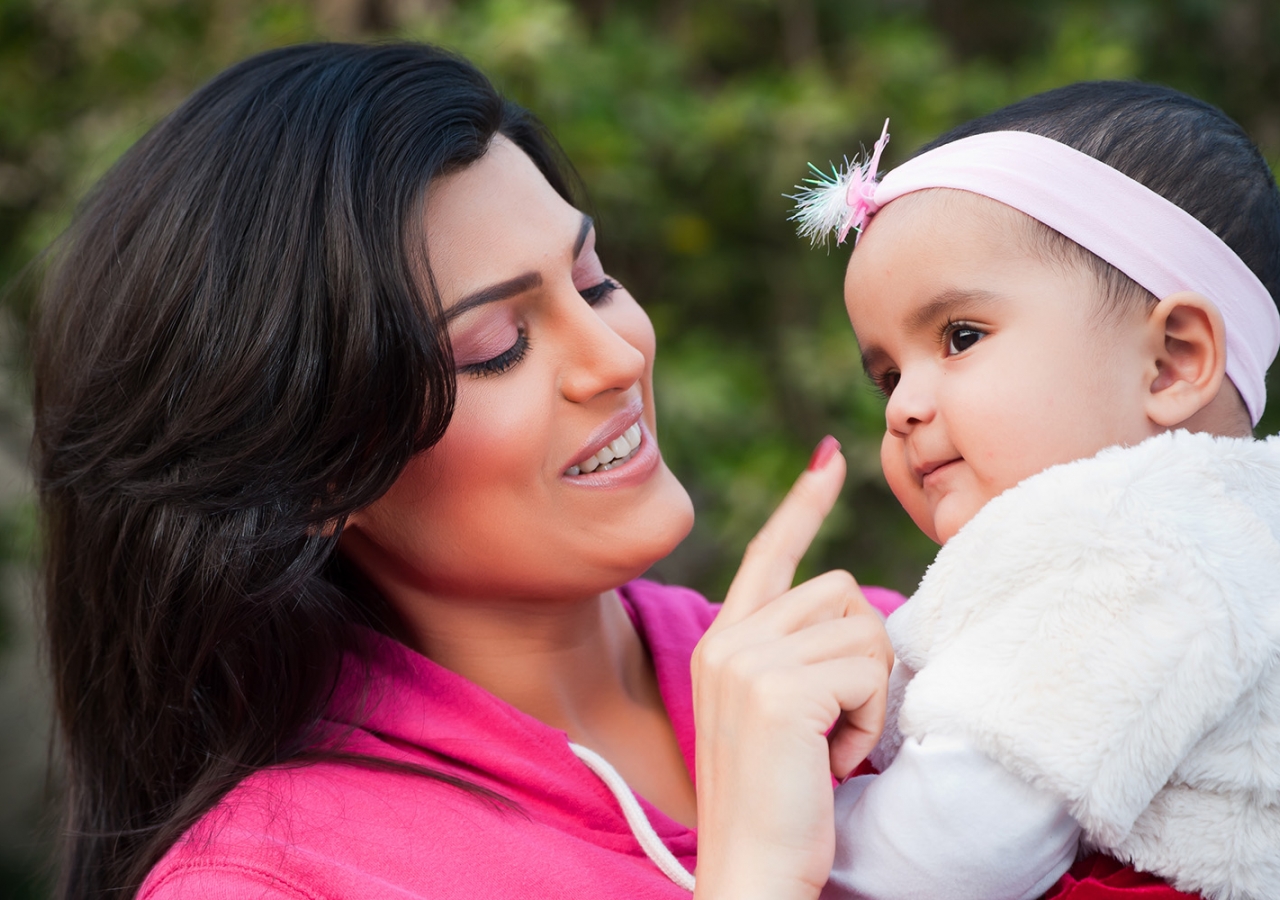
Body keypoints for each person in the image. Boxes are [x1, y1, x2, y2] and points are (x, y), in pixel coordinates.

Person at [33, 41, 898, 900]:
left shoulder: (897, 662)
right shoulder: (270, 880)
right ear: (317, 479)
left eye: (593, 281)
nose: (614, 357)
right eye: (495, 347)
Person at [791, 82, 1280, 899]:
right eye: (886, 377)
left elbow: (941, 858)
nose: (906, 406)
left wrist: (771, 826)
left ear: (1171, 361)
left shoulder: (1130, 549)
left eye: (960, 337)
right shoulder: (1217, 524)